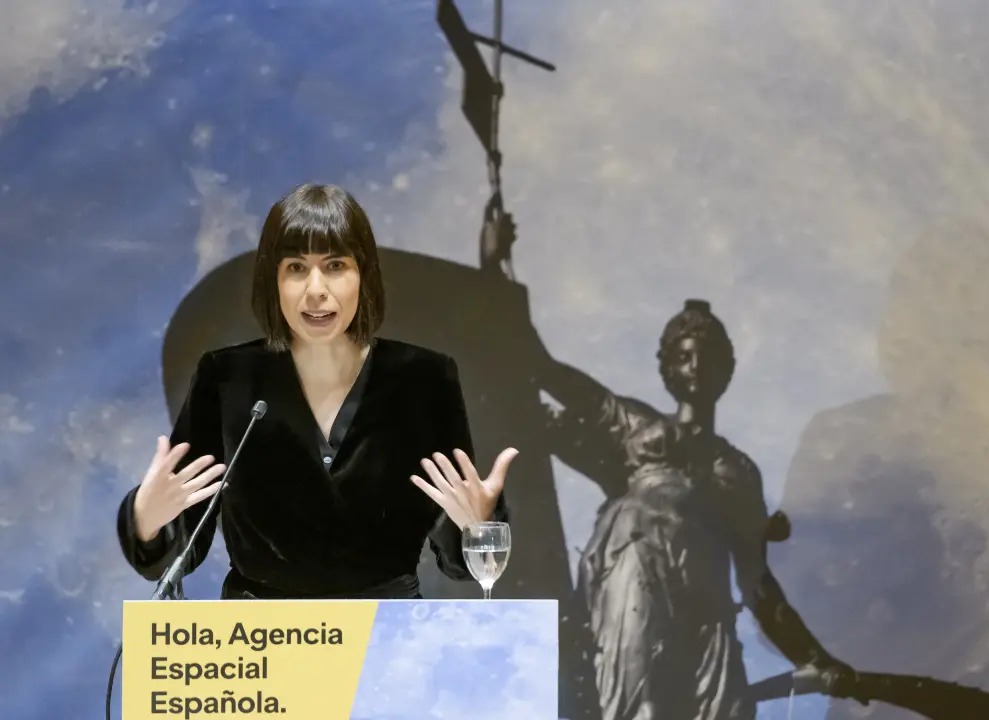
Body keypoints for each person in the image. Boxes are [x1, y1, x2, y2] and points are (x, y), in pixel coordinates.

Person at [115, 182, 514, 600]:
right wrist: (146, 520)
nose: (316, 289)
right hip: (257, 634)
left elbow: (459, 561)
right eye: (296, 268)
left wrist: (477, 524)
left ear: (364, 275)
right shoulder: (227, 377)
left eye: (336, 265)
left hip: (388, 629)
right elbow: (179, 547)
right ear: (273, 280)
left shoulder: (424, 378)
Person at [532, 299, 861, 720]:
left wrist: (815, 657)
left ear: (726, 370)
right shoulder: (636, 425)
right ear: (667, 368)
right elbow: (547, 371)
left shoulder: (740, 472)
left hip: (707, 609)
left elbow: (759, 586)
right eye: (684, 357)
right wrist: (498, 285)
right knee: (641, 707)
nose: (695, 367)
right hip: (638, 577)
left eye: (707, 357)